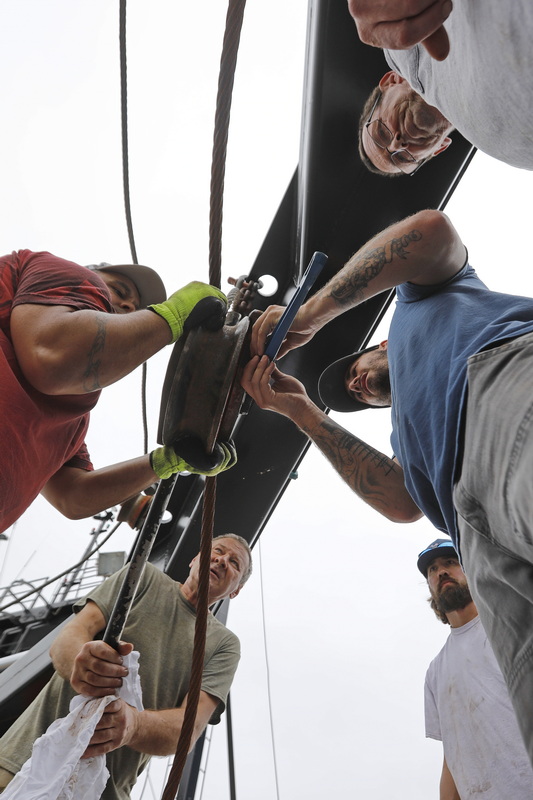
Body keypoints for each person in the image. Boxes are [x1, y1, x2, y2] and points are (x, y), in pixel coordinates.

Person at [241, 208, 533, 762]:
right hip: (472, 532)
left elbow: (430, 233)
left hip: (500, 387)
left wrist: (313, 313)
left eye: (355, 370)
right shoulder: (407, 437)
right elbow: (402, 503)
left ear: (379, 345)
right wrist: (302, 412)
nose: (356, 386)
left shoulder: (420, 302)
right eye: (356, 398)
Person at [0, 533, 252, 798]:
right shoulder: (143, 576)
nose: (222, 560)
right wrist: (81, 664)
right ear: (194, 559)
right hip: (17, 764)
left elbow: (189, 729)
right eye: (218, 550)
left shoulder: (224, 644)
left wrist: (134, 725)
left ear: (235, 590)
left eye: (234, 563)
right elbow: (68, 638)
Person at [0, 250, 235, 534]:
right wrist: (171, 316)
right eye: (119, 290)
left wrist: (167, 461)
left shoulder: (71, 424)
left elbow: (72, 497)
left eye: (136, 310)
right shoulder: (58, 270)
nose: (127, 305)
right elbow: (51, 360)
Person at [349, 0, 533, 173]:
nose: (397, 145)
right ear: (440, 148)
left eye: (381, 133)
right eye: (403, 158)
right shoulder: (512, 154)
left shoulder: (401, 40)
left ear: (391, 81)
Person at [418, 537, 533, 799]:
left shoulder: (512, 625)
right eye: (432, 570)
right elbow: (452, 757)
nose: (441, 572)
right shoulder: (435, 672)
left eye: (450, 562)